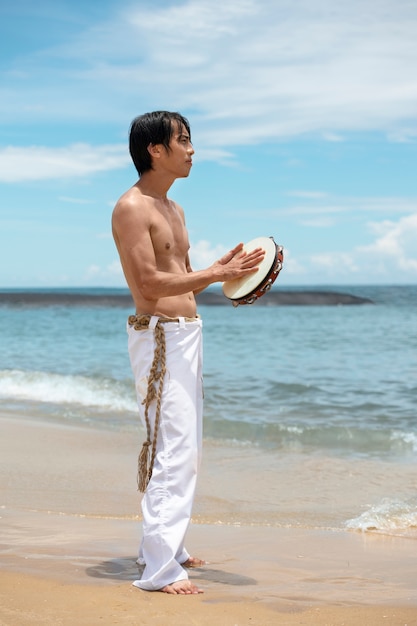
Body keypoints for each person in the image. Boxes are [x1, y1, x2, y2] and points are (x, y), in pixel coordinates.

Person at [111, 111, 264, 595]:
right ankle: (158, 570)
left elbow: (185, 272)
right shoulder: (131, 208)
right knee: (173, 451)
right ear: (155, 149)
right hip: (158, 335)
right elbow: (148, 284)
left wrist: (231, 279)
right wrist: (217, 273)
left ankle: (167, 546)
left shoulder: (174, 209)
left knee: (185, 448)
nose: (193, 150)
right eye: (184, 140)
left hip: (186, 333)